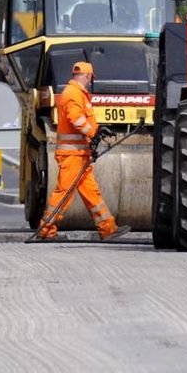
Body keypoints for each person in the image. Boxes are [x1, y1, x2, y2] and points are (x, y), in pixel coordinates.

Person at [36, 61, 131, 241]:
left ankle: (108, 228)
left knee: (91, 192)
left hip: (79, 154)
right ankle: (46, 230)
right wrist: (94, 133)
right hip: (72, 155)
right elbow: (75, 118)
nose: (89, 82)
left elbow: (80, 120)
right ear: (87, 76)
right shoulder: (73, 93)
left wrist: (97, 130)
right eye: (90, 79)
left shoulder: (76, 93)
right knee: (64, 192)